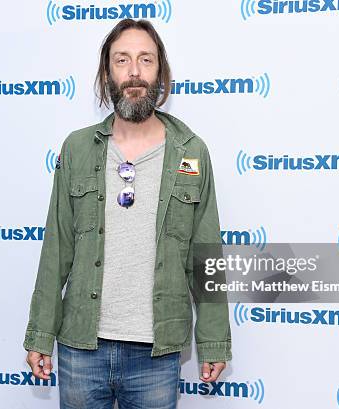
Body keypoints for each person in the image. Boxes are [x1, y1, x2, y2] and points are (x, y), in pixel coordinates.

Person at [24, 18, 231, 409]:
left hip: (156, 355)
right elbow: (56, 250)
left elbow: (207, 256)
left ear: (161, 72)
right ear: (107, 74)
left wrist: (214, 340)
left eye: (145, 60)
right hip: (81, 348)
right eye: (122, 60)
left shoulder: (191, 152)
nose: (134, 71)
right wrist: (39, 334)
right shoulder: (78, 148)